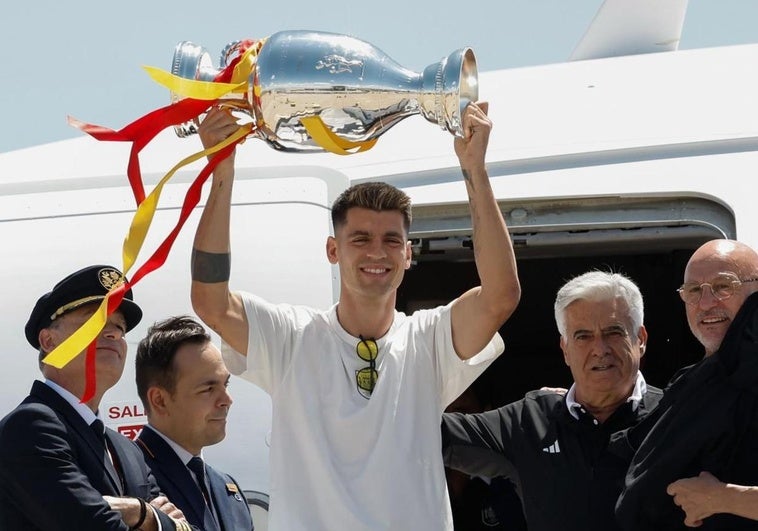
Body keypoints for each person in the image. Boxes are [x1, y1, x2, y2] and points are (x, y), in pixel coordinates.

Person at [190, 102, 520, 530]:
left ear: (408, 253)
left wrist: (474, 168)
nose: (376, 252)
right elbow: (211, 302)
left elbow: (500, 296)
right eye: (360, 238)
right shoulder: (291, 337)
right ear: (333, 250)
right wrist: (223, 170)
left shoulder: (429, 339)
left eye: (390, 240)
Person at [441, 270, 663, 531]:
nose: (600, 349)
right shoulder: (529, 422)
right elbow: (424, 431)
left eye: (614, 332)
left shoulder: (674, 414)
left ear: (641, 339)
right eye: (583, 336)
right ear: (565, 349)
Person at [0, 264, 191, 530]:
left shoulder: (127, 450)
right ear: (49, 341)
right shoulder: (30, 426)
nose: (113, 333)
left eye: (120, 328)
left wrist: (137, 511)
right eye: (95, 320)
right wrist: (149, 517)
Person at [615, 239, 758, 530]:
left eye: (723, 286)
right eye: (694, 291)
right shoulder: (692, 381)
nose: (706, 303)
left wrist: (726, 498)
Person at [134, 315, 254, 531]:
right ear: (159, 400)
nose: (227, 400)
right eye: (208, 389)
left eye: (225, 385)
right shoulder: (127, 479)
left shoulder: (227, 488)